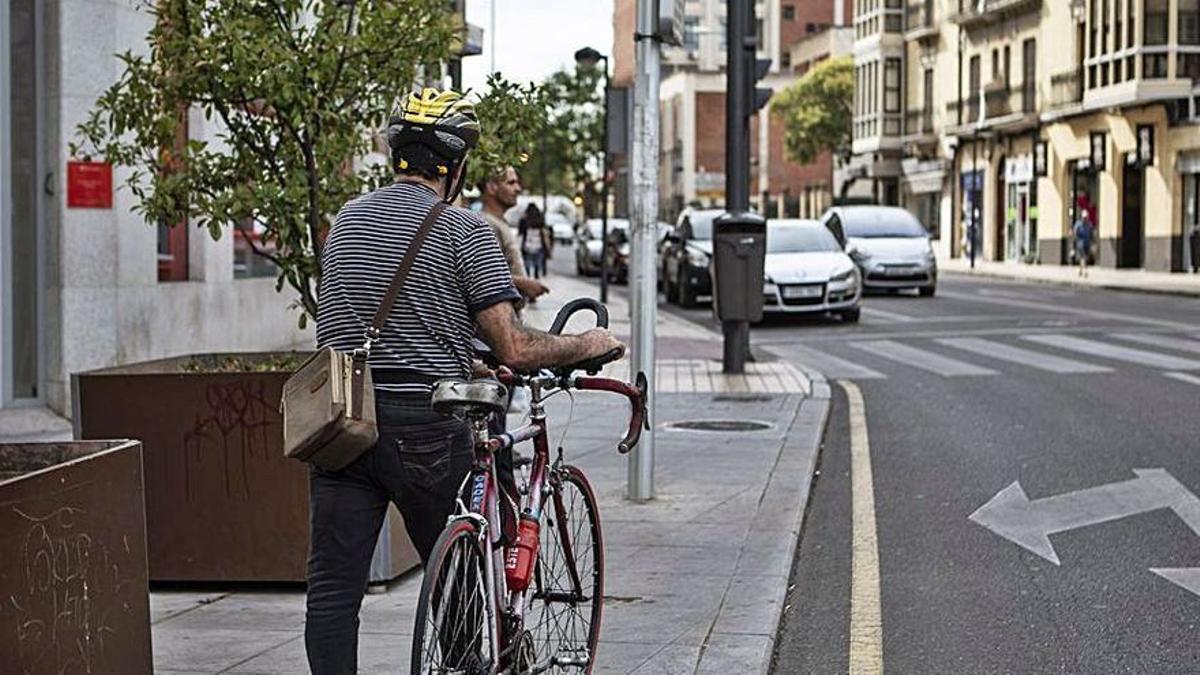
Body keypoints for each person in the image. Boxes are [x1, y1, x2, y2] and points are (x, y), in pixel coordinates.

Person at [308, 88, 624, 675]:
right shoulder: (466, 231)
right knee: (456, 581)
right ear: (454, 167)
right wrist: (588, 343)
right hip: (427, 424)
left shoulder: (346, 220)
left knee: (332, 591)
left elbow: (353, 321)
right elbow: (515, 346)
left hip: (343, 418)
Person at [478, 167, 549, 304]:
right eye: (511, 183)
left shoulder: (499, 222)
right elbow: (485, 276)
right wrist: (523, 284)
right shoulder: (486, 224)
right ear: (491, 188)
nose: (518, 188)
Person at [519, 203, 553, 279]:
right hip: (539, 245)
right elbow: (545, 235)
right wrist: (548, 249)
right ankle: (536, 276)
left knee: (527, 263)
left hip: (527, 245)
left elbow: (520, 234)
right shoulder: (540, 220)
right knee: (537, 263)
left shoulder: (524, 221)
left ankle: (527, 277)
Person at [1073, 208, 1094, 278]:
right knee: (1084, 257)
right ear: (1082, 217)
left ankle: (1080, 270)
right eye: (1084, 217)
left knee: (1084, 258)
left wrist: (1091, 242)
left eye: (1086, 217)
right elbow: (1075, 232)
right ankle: (1085, 271)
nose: (1085, 219)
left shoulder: (1089, 224)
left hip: (1087, 242)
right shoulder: (1078, 224)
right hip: (1080, 243)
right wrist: (1076, 240)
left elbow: (1091, 233)